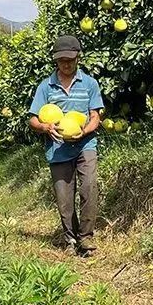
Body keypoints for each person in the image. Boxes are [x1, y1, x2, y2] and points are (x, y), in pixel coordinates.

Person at [28, 35, 104, 257]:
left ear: (78, 57)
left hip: (85, 143)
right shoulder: (46, 86)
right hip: (58, 147)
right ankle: (70, 238)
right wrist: (44, 127)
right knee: (64, 197)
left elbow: (95, 116)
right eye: (62, 60)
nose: (66, 64)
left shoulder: (90, 83)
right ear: (56, 60)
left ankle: (86, 237)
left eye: (70, 59)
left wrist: (85, 131)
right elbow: (33, 118)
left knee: (89, 186)